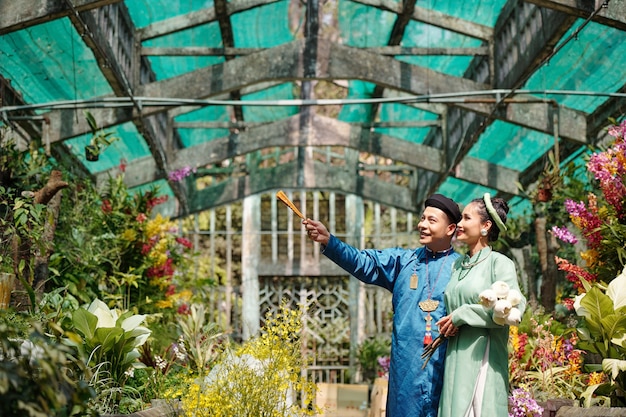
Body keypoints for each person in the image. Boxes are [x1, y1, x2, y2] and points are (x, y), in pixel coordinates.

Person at [303, 194, 462, 417]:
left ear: (450, 229)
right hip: (406, 371)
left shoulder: (463, 269)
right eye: (422, 218)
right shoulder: (403, 261)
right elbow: (362, 262)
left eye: (431, 220)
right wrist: (330, 241)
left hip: (448, 367)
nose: (422, 225)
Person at [436, 193, 527, 417]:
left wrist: (463, 314)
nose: (459, 224)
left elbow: (513, 309)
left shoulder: (499, 263)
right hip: (455, 355)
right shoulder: (458, 265)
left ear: (485, 226)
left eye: (467, 218)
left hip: (482, 355)